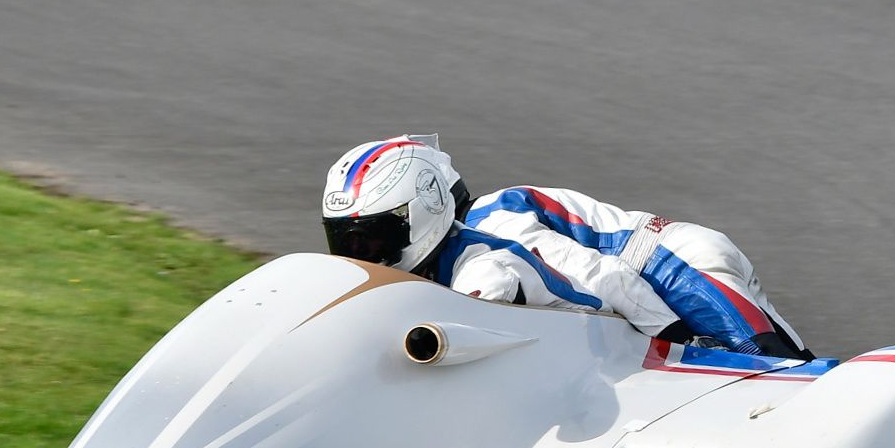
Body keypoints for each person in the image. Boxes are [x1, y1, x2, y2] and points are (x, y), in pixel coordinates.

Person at [320, 135, 812, 359]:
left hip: (669, 267)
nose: (361, 252)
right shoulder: (449, 260)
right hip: (637, 287)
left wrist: (677, 339)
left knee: (775, 366)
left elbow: (609, 279)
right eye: (346, 238)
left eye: (373, 236)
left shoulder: (500, 232)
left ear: (424, 209)